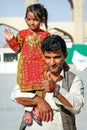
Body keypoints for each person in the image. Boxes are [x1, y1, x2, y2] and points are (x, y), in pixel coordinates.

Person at [11, 35, 84, 130]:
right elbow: (15, 95)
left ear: (65, 55)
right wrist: (39, 101)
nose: (52, 62)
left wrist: (56, 89)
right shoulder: (33, 73)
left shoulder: (73, 79)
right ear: (42, 55)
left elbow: (77, 107)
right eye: (48, 57)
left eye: (56, 57)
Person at [4, 3, 51, 127]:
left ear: (42, 19)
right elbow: (17, 49)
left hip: (41, 69)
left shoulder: (46, 35)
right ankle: (28, 112)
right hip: (26, 70)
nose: (31, 22)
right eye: (29, 19)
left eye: (35, 19)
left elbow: (51, 51)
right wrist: (11, 39)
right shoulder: (23, 34)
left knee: (40, 91)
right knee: (27, 92)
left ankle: (35, 110)